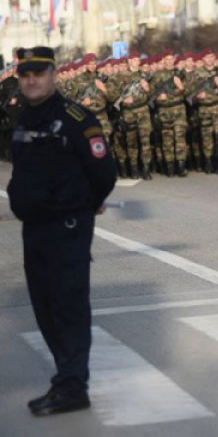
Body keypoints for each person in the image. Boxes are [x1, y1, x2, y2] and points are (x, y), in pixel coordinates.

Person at [8, 47, 117, 416]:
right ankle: (66, 377)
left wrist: (87, 203)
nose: (32, 80)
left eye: (39, 73)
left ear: (55, 75)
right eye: (25, 74)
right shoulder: (24, 119)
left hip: (67, 226)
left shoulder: (75, 117)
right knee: (45, 306)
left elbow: (103, 170)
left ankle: (73, 386)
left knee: (67, 306)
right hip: (34, 227)